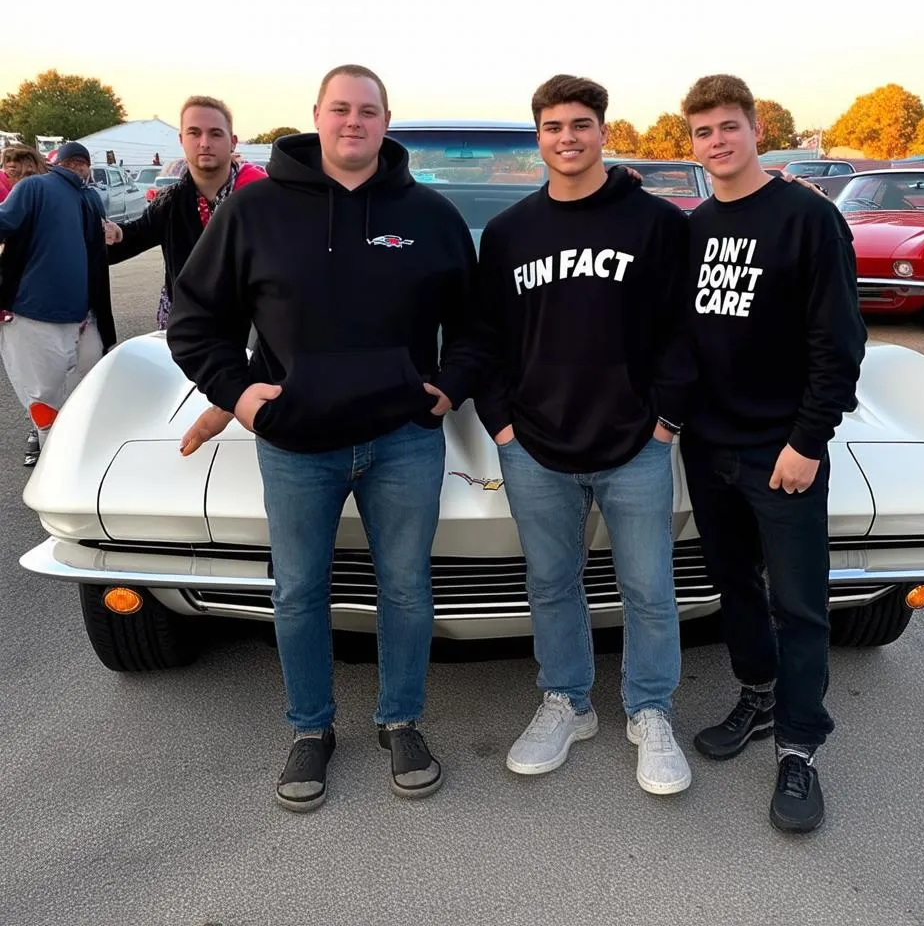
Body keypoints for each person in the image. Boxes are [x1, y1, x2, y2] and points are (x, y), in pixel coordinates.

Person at [166, 64, 482, 811]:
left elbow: (477, 328)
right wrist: (239, 397)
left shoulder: (431, 215)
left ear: (385, 120)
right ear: (316, 115)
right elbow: (194, 320)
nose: (353, 122)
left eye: (367, 111)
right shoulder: (254, 212)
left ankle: (401, 719)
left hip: (404, 438)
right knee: (300, 591)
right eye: (340, 109)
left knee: (406, 588)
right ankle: (311, 729)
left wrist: (447, 386)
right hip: (295, 441)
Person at [468, 74, 693, 794]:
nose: (567, 137)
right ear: (538, 137)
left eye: (581, 124)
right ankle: (566, 701)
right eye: (553, 126)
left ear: (603, 131)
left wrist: (665, 422)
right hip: (534, 445)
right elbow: (485, 338)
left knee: (650, 588)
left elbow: (682, 333)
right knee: (551, 583)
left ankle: (650, 711)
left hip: (635, 444)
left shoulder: (655, 225)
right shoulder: (508, 233)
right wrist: (500, 423)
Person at [677, 74, 866, 833]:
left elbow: (838, 341)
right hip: (709, 444)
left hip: (781, 449)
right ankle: (757, 695)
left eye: (728, 127)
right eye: (702, 132)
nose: (717, 142)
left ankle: (799, 745)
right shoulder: (692, 228)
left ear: (756, 129)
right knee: (734, 585)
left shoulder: (806, 219)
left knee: (798, 600)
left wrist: (807, 440)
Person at [104, 96, 266, 329]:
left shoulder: (259, 197)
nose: (204, 142)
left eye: (215, 133)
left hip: (251, 330)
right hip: (187, 331)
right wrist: (114, 233)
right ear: (182, 140)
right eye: (194, 133)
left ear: (233, 141)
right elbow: (135, 235)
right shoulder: (170, 202)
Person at [0, 142, 116, 463]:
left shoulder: (83, 196)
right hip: (54, 314)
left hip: (56, 314)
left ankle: (60, 458)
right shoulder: (49, 190)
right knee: (55, 396)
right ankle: (61, 458)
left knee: (49, 397)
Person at [0, 144, 54, 463]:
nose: (11, 166)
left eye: (19, 161)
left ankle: (48, 434)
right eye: (7, 161)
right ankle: (40, 428)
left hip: (43, 298)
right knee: (26, 374)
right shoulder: (7, 196)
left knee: (46, 372)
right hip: (13, 299)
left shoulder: (40, 195)